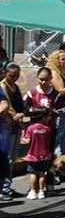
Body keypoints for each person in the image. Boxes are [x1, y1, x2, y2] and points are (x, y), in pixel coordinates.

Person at [0, 63, 26, 199]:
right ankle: (4, 189)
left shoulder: (15, 87)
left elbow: (19, 104)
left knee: (13, 159)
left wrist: (21, 116)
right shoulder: (2, 86)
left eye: (17, 75)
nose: (14, 78)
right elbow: (8, 106)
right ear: (5, 73)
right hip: (7, 127)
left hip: (15, 126)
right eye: (12, 75)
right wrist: (17, 119)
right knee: (6, 159)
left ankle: (7, 186)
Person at [21, 108, 53, 200]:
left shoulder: (30, 128)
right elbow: (48, 141)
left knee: (33, 173)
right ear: (43, 117)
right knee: (42, 173)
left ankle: (32, 191)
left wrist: (22, 136)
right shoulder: (47, 129)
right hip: (45, 154)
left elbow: (27, 141)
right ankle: (41, 191)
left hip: (32, 155)